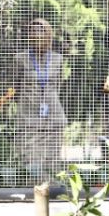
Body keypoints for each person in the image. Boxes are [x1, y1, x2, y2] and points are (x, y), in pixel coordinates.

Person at [13, 18, 67, 182]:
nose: (36, 34)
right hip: (28, 116)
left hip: (53, 116)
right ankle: (32, 192)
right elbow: (14, 86)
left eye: (41, 30)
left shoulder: (58, 59)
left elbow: (58, 86)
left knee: (52, 159)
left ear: (49, 35)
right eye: (33, 31)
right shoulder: (20, 58)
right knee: (31, 157)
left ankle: (53, 192)